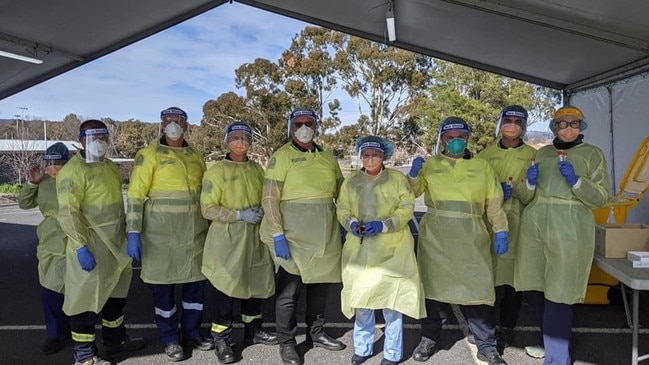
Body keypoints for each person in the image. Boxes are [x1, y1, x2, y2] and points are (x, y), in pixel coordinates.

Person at [408, 117, 509, 365]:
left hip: (472, 237)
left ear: (468, 139)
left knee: (478, 291)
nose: (455, 142)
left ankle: (486, 346)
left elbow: (494, 201)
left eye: (461, 137)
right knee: (432, 290)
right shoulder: (430, 165)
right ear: (442, 139)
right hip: (436, 238)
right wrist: (412, 175)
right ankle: (429, 338)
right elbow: (411, 192)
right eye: (450, 137)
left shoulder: (482, 167)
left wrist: (500, 230)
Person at [514, 105, 609, 365]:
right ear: (554, 127)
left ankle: (557, 359)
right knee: (537, 289)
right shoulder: (541, 153)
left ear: (582, 127)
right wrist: (529, 183)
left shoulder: (592, 154)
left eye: (574, 123)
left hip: (569, 230)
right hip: (534, 228)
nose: (568, 128)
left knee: (559, 292)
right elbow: (523, 196)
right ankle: (549, 342)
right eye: (563, 124)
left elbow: (601, 198)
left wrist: (578, 182)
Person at [260, 107, 346, 365]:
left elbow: (342, 192)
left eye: (309, 123)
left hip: (324, 235)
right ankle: (287, 342)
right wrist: (277, 234)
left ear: (316, 126)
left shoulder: (329, 157)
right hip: (293, 237)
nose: (304, 128)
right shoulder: (281, 156)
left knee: (320, 290)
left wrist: (346, 222)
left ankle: (316, 333)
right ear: (291, 127)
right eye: (298, 123)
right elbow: (269, 198)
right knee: (289, 294)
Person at [126, 107, 212, 362]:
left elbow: (204, 192)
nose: (173, 124)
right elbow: (135, 195)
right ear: (161, 124)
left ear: (186, 125)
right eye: (168, 120)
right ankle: (170, 339)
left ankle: (193, 333)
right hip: (159, 236)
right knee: (163, 293)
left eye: (178, 120)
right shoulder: (148, 154)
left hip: (193, 235)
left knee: (195, 290)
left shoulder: (195, 154)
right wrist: (133, 231)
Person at [57, 120, 145, 365]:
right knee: (85, 303)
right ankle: (84, 355)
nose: (99, 142)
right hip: (91, 245)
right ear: (81, 140)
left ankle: (115, 341)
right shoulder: (73, 171)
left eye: (104, 137)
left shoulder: (110, 168)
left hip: (115, 247)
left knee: (114, 300)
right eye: (93, 137)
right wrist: (80, 247)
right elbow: (68, 212)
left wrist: (131, 234)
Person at [337, 136, 426, 365]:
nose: (370, 159)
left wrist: (385, 224)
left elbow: (406, 207)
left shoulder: (397, 179)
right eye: (366, 154)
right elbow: (342, 208)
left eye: (375, 154)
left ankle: (392, 354)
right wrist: (351, 223)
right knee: (362, 300)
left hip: (393, 249)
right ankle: (363, 348)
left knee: (391, 303)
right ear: (360, 156)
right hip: (360, 250)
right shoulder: (351, 182)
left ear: (383, 156)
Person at [200, 121, 278, 364]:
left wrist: (264, 212)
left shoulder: (256, 169)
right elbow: (207, 208)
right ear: (226, 141)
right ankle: (221, 337)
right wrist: (238, 215)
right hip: (228, 240)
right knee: (226, 288)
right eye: (235, 136)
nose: (241, 141)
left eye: (245, 137)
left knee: (255, 285)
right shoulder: (216, 171)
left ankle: (253, 330)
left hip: (254, 238)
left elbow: (266, 196)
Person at [478, 105, 536, 352]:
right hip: (489, 225)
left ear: (524, 126)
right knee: (488, 278)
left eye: (517, 121)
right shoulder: (485, 155)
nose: (512, 125)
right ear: (500, 123)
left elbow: (531, 196)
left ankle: (506, 327)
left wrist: (528, 185)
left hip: (518, 223)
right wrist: (494, 190)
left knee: (512, 282)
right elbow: (475, 191)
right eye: (508, 120)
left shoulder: (533, 155)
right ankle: (484, 329)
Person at [19, 142, 72, 355]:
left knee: (78, 291)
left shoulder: (75, 180)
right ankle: (55, 335)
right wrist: (32, 184)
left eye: (58, 163)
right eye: (49, 163)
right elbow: (24, 203)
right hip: (51, 242)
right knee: (52, 291)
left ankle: (81, 331)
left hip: (77, 239)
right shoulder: (43, 183)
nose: (53, 167)